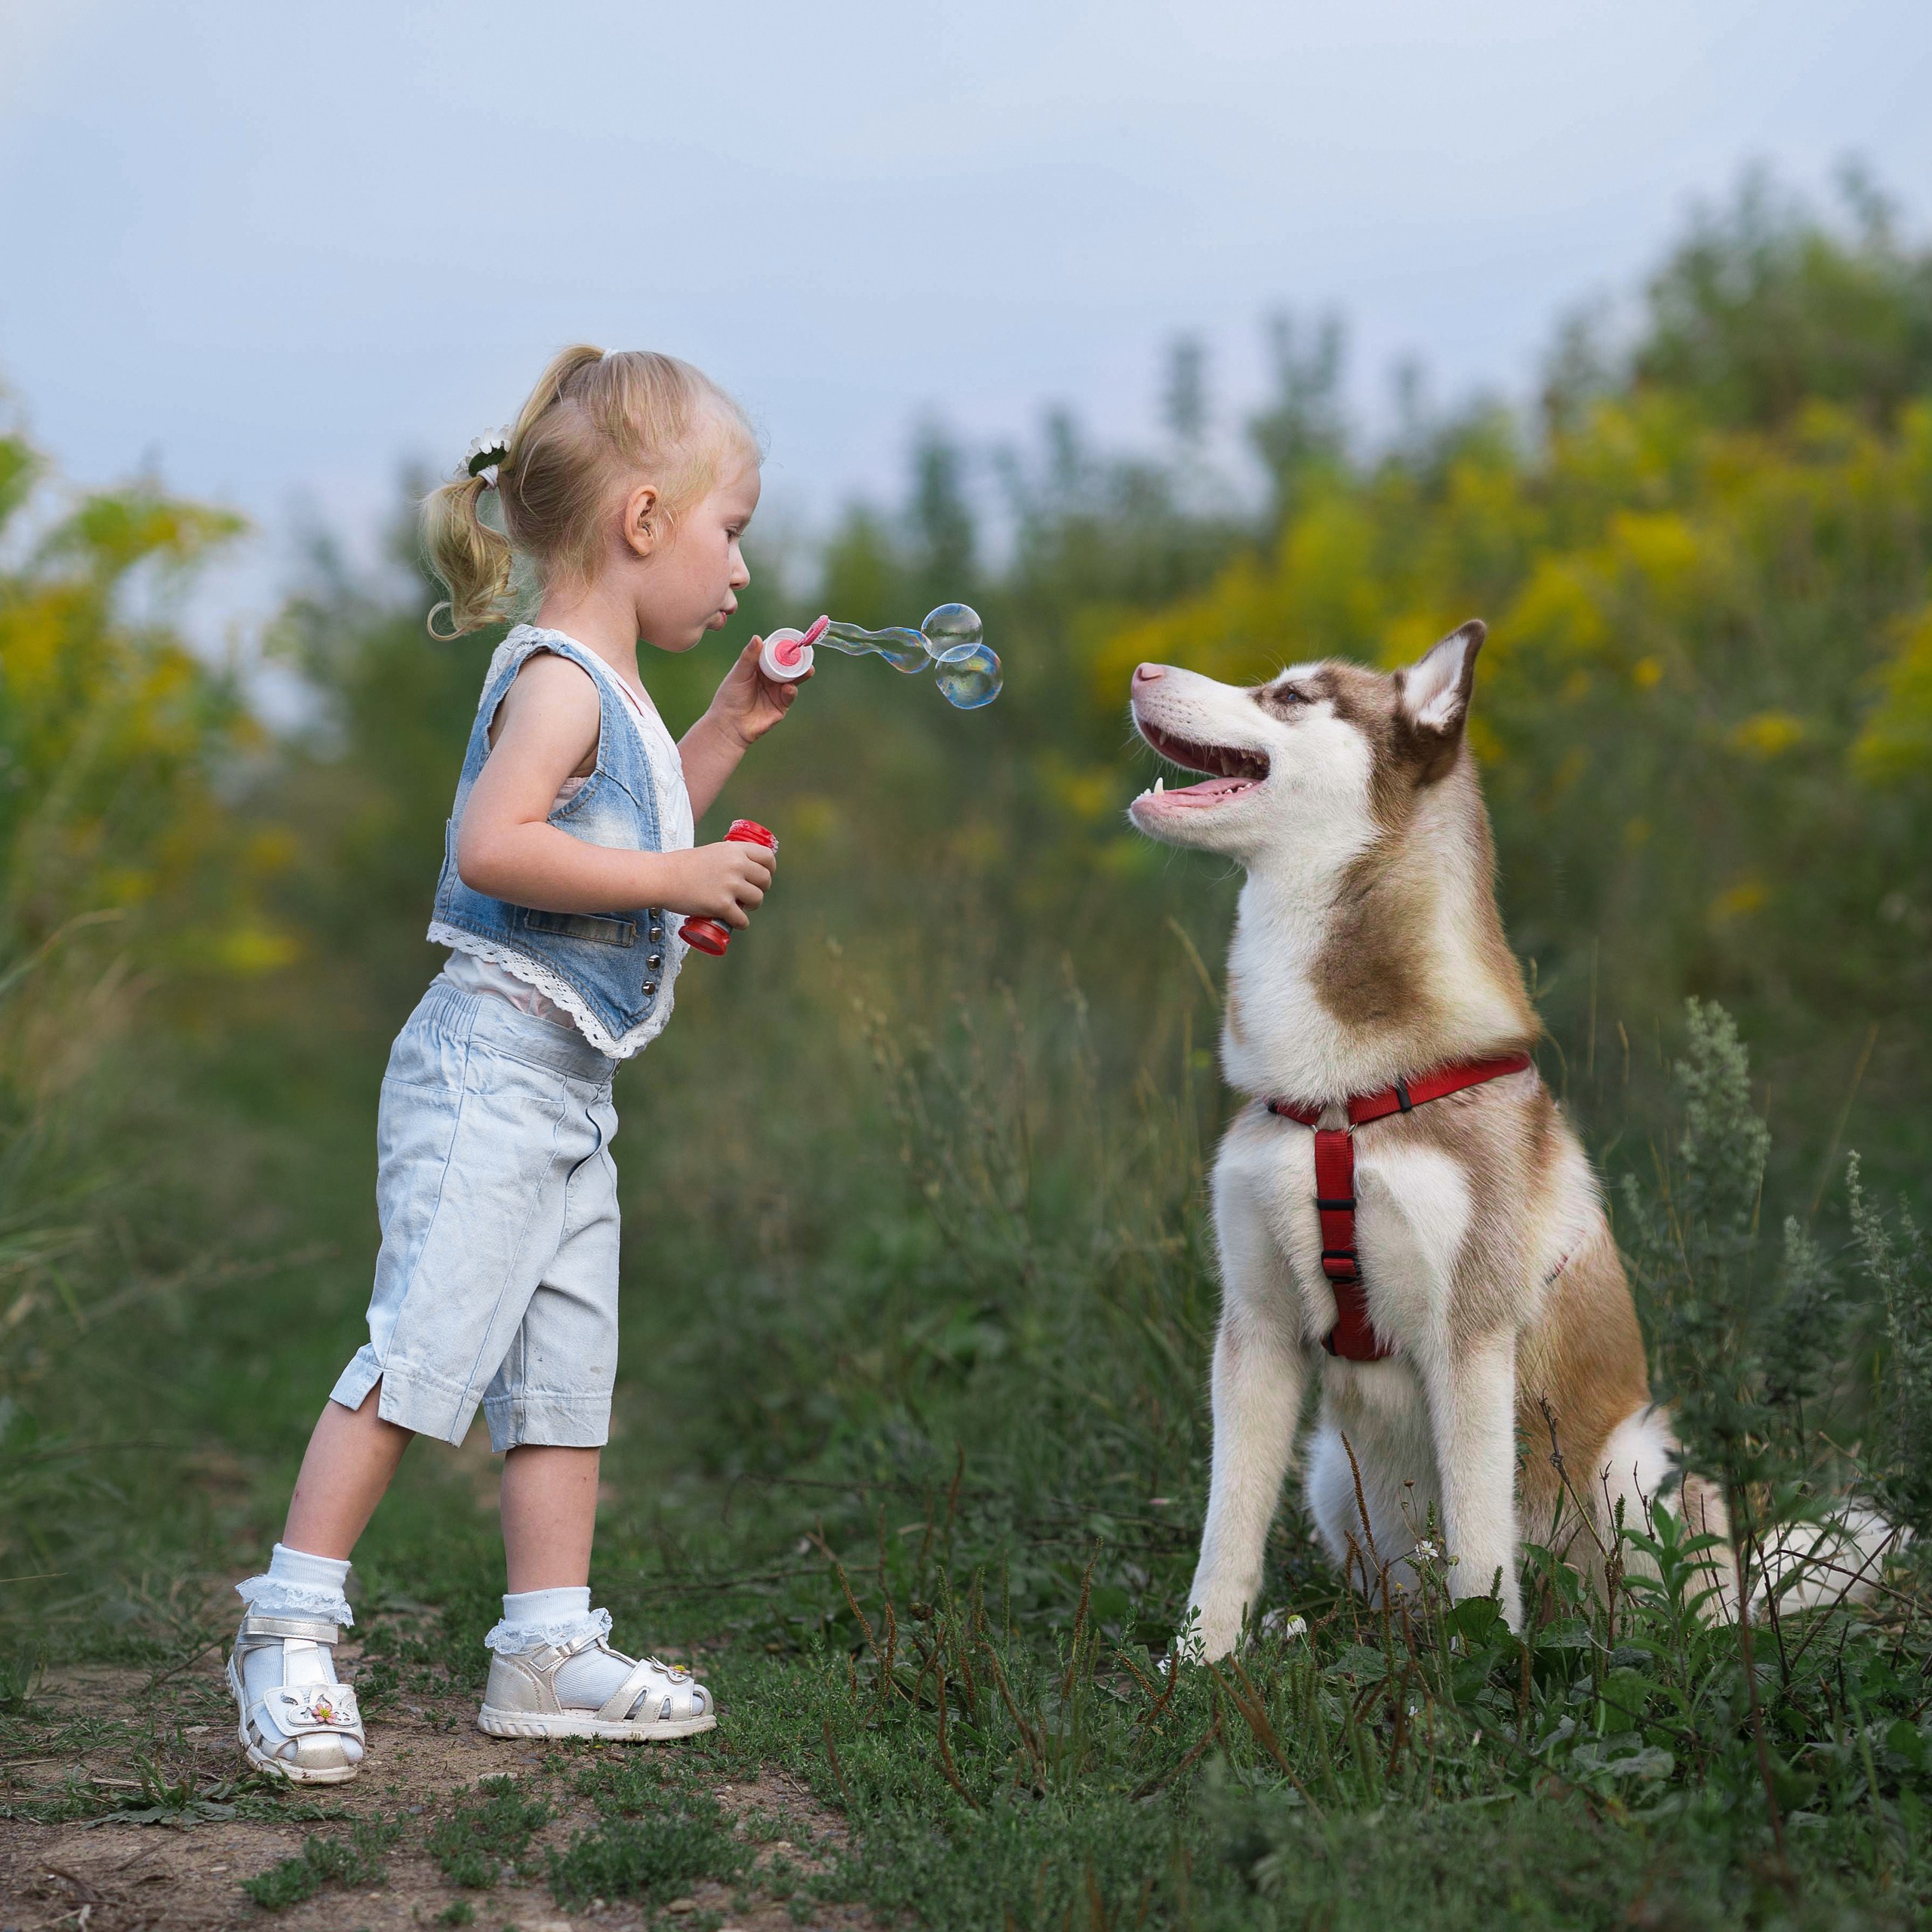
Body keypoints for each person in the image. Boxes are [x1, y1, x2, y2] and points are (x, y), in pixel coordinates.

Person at [225, 346, 804, 1781]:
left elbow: (611, 840)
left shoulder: (618, 691)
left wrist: (727, 730)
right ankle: (289, 1625)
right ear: (647, 520)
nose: (741, 569)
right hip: (490, 1074)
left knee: (562, 1377)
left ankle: (545, 1647)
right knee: (423, 1347)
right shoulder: (559, 685)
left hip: (568, 1093)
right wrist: (677, 873)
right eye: (733, 530)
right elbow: (496, 848)